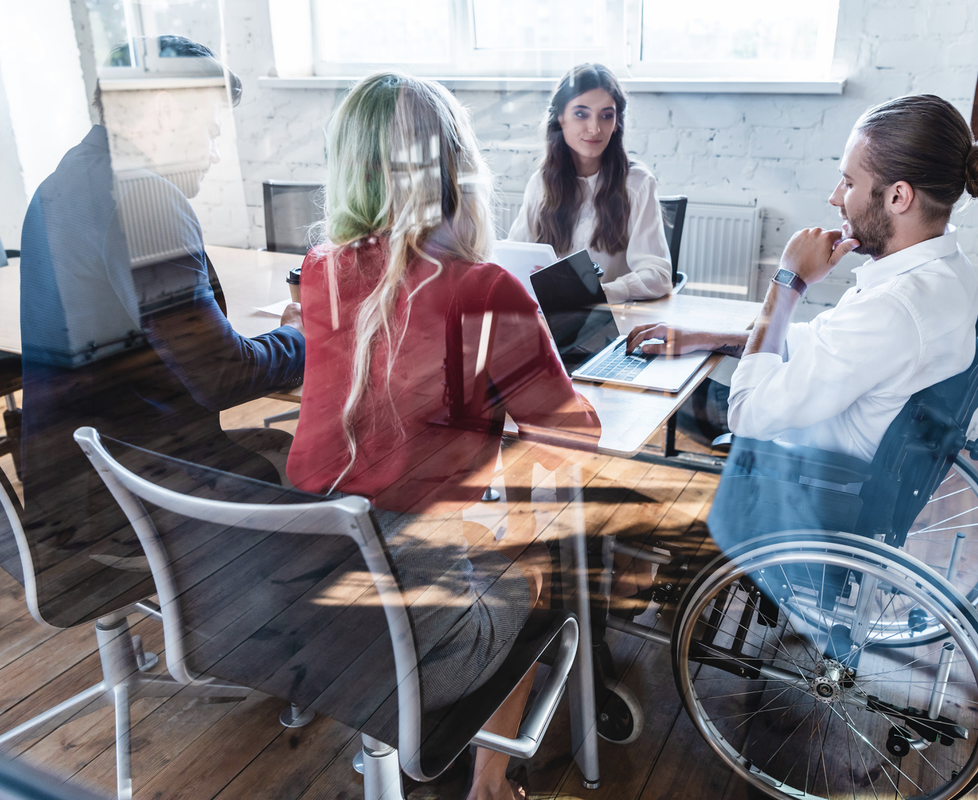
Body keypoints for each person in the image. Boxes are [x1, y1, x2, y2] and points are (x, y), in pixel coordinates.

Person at [285, 73, 600, 800]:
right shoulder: (483, 288)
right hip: (411, 631)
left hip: (300, 606)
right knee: (534, 552)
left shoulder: (320, 272)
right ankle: (489, 778)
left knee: (483, 529)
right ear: (454, 167)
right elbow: (572, 438)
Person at [18, 37, 305, 626]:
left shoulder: (61, 180)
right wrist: (310, 336)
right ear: (166, 114)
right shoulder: (143, 196)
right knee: (319, 461)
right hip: (132, 500)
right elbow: (224, 376)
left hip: (70, 490)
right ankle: (286, 651)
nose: (214, 150)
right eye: (209, 128)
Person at [627, 94, 978, 463]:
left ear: (898, 197)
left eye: (850, 182)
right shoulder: (945, 267)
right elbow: (827, 344)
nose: (835, 197)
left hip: (797, 471)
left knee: (640, 398)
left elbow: (746, 414)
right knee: (667, 376)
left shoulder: (893, 307)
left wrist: (788, 281)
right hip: (814, 425)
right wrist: (713, 337)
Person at [506, 63, 673, 304]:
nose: (595, 128)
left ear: (616, 123)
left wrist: (600, 293)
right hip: (549, 318)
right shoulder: (541, 184)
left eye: (606, 116)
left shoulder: (637, 184)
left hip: (608, 320)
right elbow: (514, 260)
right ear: (560, 117)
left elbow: (658, 276)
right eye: (581, 114)